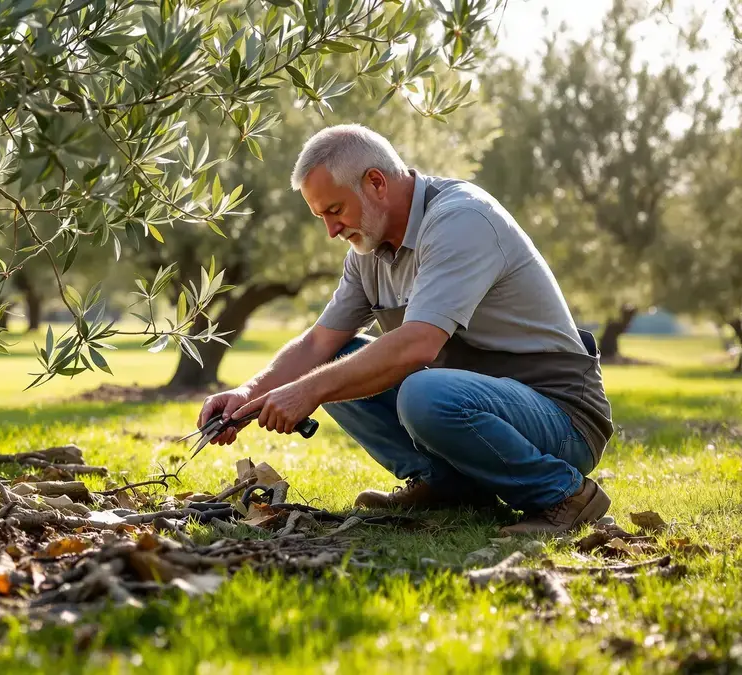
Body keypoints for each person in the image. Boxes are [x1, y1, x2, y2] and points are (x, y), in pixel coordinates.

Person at [197, 124, 614, 535]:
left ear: (376, 182)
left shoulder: (462, 219)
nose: (331, 230)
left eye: (335, 210)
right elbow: (318, 343)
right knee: (333, 361)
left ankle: (565, 495)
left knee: (419, 393)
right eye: (321, 216)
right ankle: (449, 488)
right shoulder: (367, 249)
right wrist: (246, 396)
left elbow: (418, 345)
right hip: (478, 405)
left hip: (561, 418)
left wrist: (308, 391)